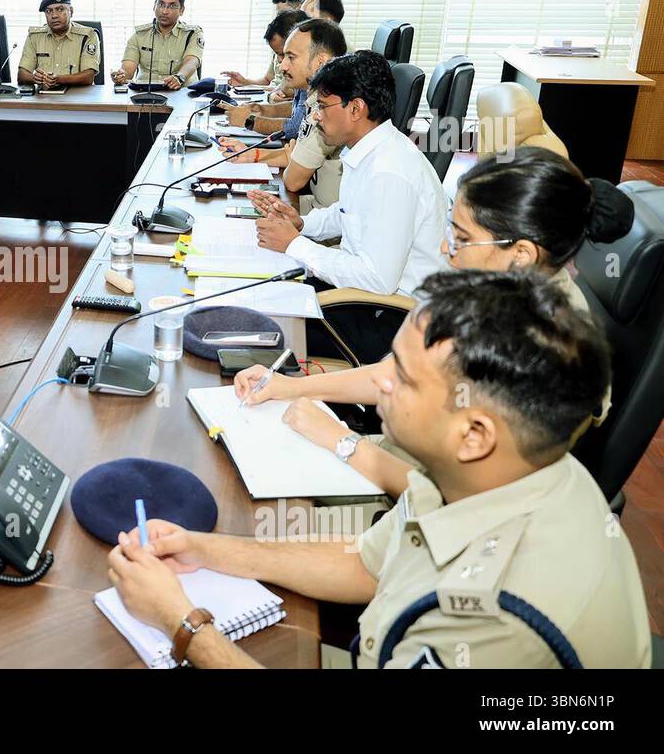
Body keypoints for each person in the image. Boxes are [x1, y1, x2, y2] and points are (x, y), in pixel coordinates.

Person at [108, 268, 651, 669]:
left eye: (405, 379)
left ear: (475, 434)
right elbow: (368, 566)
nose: (380, 382)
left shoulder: (500, 615)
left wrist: (183, 625)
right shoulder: (485, 476)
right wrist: (207, 549)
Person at [234, 148, 637, 497]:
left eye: (461, 237)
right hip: (405, 456)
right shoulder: (500, 289)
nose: (445, 248)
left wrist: (339, 440)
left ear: (521, 253)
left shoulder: (541, 347)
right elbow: (395, 373)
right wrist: (290, 387)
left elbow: (459, 496)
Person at [251, 51, 446, 298]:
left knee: (272, 304)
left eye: (322, 106)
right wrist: (302, 224)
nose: (315, 115)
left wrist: (294, 245)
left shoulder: (389, 172)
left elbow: (377, 279)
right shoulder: (371, 150)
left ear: (355, 109)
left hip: (387, 314)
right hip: (362, 293)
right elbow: (349, 213)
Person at [220, 18, 348, 208]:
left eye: (291, 57)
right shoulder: (316, 99)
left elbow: (293, 180)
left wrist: (291, 156)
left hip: (325, 221)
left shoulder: (330, 109)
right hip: (316, 205)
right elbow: (294, 156)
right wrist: (251, 155)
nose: (282, 66)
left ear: (320, 62)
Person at [112, 0, 204, 90]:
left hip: (182, 93)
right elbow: (127, 70)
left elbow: (191, 62)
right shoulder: (140, 35)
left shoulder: (193, 33)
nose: (164, 11)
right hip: (144, 93)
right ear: (154, 6)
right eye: (161, 4)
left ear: (182, 10)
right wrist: (121, 76)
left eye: (172, 6)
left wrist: (180, 77)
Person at [221, 0, 305, 89]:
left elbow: (289, 91)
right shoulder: (278, 45)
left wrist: (269, 94)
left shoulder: (303, 53)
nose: (279, 19)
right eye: (278, 14)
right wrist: (245, 82)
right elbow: (267, 80)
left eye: (285, 14)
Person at [16, 0, 101, 90]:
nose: (54, 15)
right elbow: (22, 75)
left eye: (60, 9)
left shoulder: (88, 36)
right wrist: (35, 78)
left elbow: (88, 77)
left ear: (71, 12)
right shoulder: (35, 37)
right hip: (44, 99)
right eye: (48, 11)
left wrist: (57, 79)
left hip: (77, 99)